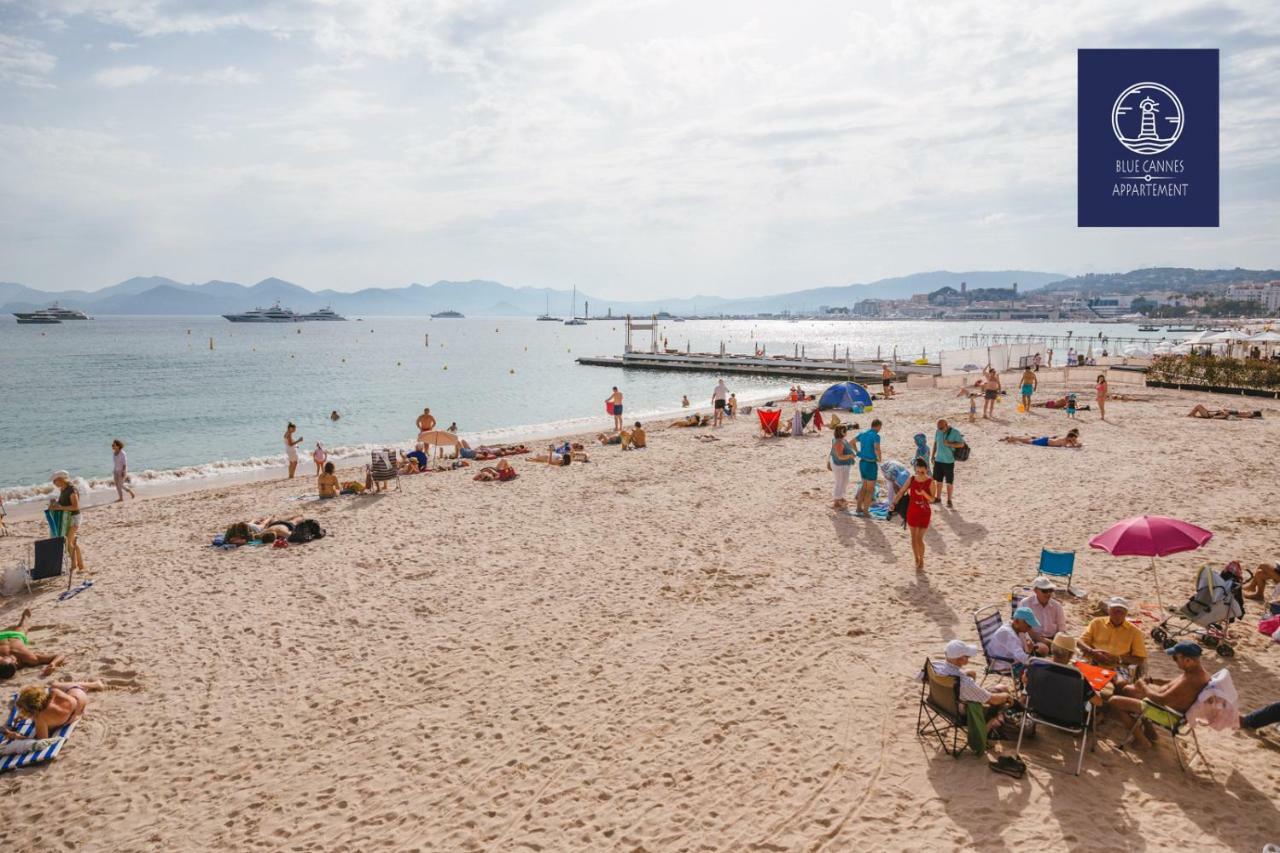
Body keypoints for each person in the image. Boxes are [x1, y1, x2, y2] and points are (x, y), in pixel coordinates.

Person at [1107, 642, 1209, 747]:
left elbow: (1160, 699)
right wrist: (1152, 680)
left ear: (1188, 660)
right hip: (1167, 709)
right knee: (1128, 690)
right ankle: (1150, 732)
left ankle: (1141, 740)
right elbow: (1174, 683)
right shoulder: (1196, 672)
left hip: (1166, 714)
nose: (1175, 662)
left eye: (1175, 658)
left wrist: (1143, 686)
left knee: (1113, 701)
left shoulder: (1192, 680)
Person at [929, 640, 1014, 723]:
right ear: (961, 659)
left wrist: (965, 674)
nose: (969, 658)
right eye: (967, 656)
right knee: (1003, 689)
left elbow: (921, 678)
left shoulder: (935, 666)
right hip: (962, 714)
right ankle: (990, 727)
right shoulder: (964, 682)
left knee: (970, 672)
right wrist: (1006, 696)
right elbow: (993, 700)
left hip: (941, 705)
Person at [1, 681, 107, 742]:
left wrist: (15, 736)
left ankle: (95, 684)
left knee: (53, 684)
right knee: (54, 685)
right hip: (80, 698)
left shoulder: (40, 718)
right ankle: (94, 684)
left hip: (73, 717)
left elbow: (42, 741)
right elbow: (50, 707)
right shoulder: (54, 692)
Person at [1078, 596, 1147, 679]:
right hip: (1093, 660)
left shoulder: (1134, 632)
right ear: (1109, 610)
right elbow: (1080, 642)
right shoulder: (1097, 623)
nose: (1118, 614)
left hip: (1118, 665)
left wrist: (1118, 658)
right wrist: (1092, 652)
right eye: (1115, 610)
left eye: (1121, 611)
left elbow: (1140, 659)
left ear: (1126, 613)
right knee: (1079, 677)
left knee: (1120, 684)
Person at [0, 608, 67, 679]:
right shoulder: (29, 658)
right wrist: (53, 664)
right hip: (16, 636)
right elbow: (60, 655)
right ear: (15, 663)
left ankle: (26, 615)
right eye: (4, 658)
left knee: (22, 628)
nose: (3, 657)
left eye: (2, 659)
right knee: (23, 626)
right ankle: (25, 616)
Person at [49, 471, 86, 576]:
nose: (54, 484)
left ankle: (76, 566)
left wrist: (61, 507)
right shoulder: (63, 490)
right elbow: (63, 503)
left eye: (54, 481)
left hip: (74, 518)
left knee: (69, 542)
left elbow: (75, 506)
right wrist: (55, 504)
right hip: (67, 518)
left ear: (61, 479)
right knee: (72, 542)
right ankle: (79, 565)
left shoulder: (71, 489)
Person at [987, 607, 1044, 675]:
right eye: (1028, 625)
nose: (1030, 628)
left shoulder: (1017, 628)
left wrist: (1030, 650)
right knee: (1038, 672)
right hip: (1004, 665)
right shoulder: (1007, 633)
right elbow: (1021, 656)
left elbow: (1024, 651)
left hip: (1013, 660)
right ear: (1017, 621)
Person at [1018, 578, 1069, 644]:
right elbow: (1023, 627)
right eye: (1044, 591)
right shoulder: (1025, 603)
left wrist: (1058, 641)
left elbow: (1062, 628)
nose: (1048, 593)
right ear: (1035, 590)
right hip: (1032, 638)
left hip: (1053, 639)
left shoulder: (1057, 606)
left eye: (1050, 590)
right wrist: (1042, 640)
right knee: (1043, 649)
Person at [905, 457, 934, 570]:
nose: (920, 474)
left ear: (926, 470)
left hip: (924, 512)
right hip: (912, 510)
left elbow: (932, 499)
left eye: (922, 471)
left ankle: (921, 559)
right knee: (913, 537)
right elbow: (902, 490)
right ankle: (916, 557)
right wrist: (894, 503)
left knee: (919, 538)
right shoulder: (912, 479)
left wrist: (923, 493)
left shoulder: (931, 482)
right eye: (918, 471)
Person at [931, 418, 963, 508]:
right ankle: (938, 498)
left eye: (941, 428)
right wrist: (933, 455)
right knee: (938, 481)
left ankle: (949, 500)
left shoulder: (955, 432)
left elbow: (961, 444)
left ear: (946, 425)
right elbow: (935, 443)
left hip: (949, 461)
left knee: (949, 482)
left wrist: (949, 444)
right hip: (938, 460)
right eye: (938, 428)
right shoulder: (938, 431)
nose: (939, 430)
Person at [853, 419, 882, 517]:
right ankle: (866, 511)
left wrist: (858, 452)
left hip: (862, 463)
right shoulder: (876, 436)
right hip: (870, 463)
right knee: (870, 489)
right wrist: (879, 458)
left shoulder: (863, 433)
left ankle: (858, 508)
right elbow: (877, 448)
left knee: (863, 486)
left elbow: (851, 442)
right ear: (878, 426)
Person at [829, 424, 856, 511]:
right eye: (845, 430)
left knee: (844, 481)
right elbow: (840, 456)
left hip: (841, 464)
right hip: (840, 465)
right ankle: (836, 501)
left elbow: (831, 451)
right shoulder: (839, 442)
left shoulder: (840, 440)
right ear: (842, 432)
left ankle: (840, 497)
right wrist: (850, 456)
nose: (846, 432)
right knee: (840, 482)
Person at [999, 429, 1081, 447]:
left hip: (1046, 440)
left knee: (1027, 440)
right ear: (1070, 437)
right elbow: (1070, 446)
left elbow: (1073, 443)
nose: (1075, 440)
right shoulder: (1064, 441)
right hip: (1044, 442)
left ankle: (1011, 438)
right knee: (1025, 441)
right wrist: (1075, 444)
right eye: (1074, 438)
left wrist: (1075, 442)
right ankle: (1012, 438)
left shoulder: (1066, 439)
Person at [1188, 405, 1262, 419]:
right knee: (1199, 407)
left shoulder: (1248, 415)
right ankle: (1191, 415)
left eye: (1252, 412)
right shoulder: (1247, 414)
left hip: (1209, 414)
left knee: (1198, 406)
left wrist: (1224, 412)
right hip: (1210, 413)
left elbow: (1239, 416)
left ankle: (1190, 416)